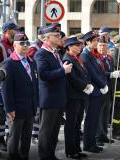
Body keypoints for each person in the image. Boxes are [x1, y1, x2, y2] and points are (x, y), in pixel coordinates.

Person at [34, 24, 72, 160]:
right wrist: (63, 70)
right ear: (46, 38)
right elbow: (44, 74)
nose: (59, 37)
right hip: (49, 98)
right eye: (56, 36)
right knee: (46, 131)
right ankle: (44, 156)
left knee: (54, 131)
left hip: (58, 98)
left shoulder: (54, 52)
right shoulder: (41, 53)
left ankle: (51, 155)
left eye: (59, 35)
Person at [1, 32, 38, 160]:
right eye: (22, 43)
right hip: (16, 109)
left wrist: (36, 104)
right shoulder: (9, 63)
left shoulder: (32, 62)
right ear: (15, 45)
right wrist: (9, 109)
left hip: (30, 107)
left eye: (27, 43)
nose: (25, 46)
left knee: (26, 139)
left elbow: (35, 85)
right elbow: (6, 89)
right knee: (14, 138)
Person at [63, 36, 91, 159]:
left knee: (77, 123)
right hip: (72, 97)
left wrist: (88, 83)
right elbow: (72, 77)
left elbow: (85, 73)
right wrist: (85, 86)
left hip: (80, 95)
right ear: (69, 47)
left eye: (80, 45)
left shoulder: (77, 58)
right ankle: (70, 150)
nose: (79, 47)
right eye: (76, 45)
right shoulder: (68, 59)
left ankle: (76, 148)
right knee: (71, 124)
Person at [0, 22, 21, 152]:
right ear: (7, 30)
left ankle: (8, 138)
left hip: (14, 85)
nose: (17, 31)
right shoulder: (0, 46)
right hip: (2, 86)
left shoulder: (14, 45)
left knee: (10, 113)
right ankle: (0, 141)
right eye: (14, 30)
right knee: (1, 113)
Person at [81, 31, 108, 153]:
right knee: (91, 119)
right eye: (95, 41)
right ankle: (88, 144)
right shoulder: (85, 55)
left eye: (97, 40)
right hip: (92, 91)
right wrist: (103, 84)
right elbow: (92, 73)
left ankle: (92, 142)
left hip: (98, 91)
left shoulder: (92, 54)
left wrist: (104, 84)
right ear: (88, 42)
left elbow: (100, 71)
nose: (97, 42)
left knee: (95, 118)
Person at [96, 36, 118, 145]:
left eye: (104, 45)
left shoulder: (109, 58)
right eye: (100, 45)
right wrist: (110, 74)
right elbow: (99, 74)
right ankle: (98, 137)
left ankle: (104, 135)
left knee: (106, 114)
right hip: (100, 89)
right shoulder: (96, 58)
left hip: (109, 89)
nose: (102, 47)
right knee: (99, 115)